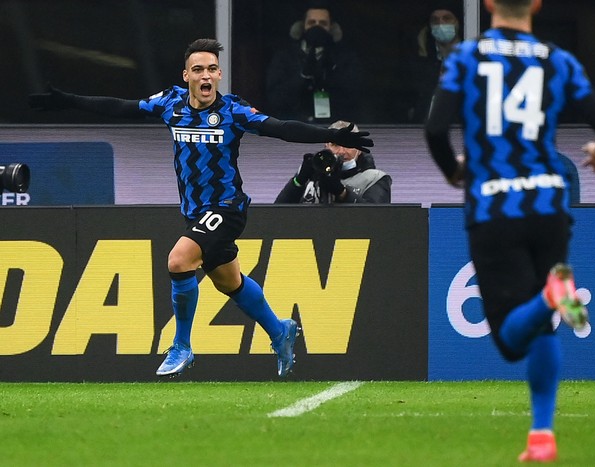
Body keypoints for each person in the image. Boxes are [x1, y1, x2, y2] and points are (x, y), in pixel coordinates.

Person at [29, 38, 373, 379]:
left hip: (227, 206)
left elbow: (281, 128)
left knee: (179, 261)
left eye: (211, 69)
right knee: (230, 282)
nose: (205, 75)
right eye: (198, 70)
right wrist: (69, 101)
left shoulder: (233, 111)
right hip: (196, 212)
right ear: (186, 76)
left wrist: (329, 134)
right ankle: (279, 330)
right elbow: (121, 106)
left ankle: (181, 345)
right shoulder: (170, 104)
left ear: (219, 74)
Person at [424, 0, 595, 462]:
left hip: (495, 203)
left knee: (512, 342)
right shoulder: (559, 60)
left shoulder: (466, 58)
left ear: (489, 4)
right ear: (536, 4)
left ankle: (552, 294)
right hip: (550, 202)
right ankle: (542, 435)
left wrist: (453, 171)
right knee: (541, 327)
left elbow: (435, 129)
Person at [265, 2, 363, 124]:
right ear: (301, 26)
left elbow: (353, 97)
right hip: (294, 127)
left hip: (332, 128)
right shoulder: (284, 56)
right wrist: (303, 77)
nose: (317, 27)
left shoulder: (345, 57)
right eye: (312, 23)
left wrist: (329, 73)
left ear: (332, 28)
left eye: (323, 23)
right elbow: (275, 99)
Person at [275, 120, 391, 204]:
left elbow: (377, 220)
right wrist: (299, 181)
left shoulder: (374, 178)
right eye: (335, 145)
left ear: (359, 150)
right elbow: (276, 215)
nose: (341, 151)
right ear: (326, 146)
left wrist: (342, 193)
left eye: (348, 146)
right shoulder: (312, 173)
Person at [402, 1, 463, 123]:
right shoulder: (419, 61)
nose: (440, 24)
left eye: (447, 18)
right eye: (435, 20)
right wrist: (422, 53)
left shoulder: (469, 58)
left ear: (458, 23)